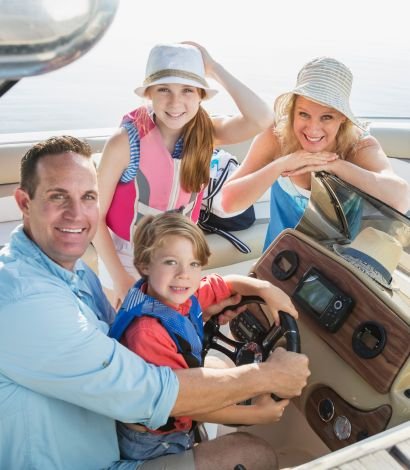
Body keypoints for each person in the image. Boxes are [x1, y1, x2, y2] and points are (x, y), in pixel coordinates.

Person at [0, 136, 310, 470]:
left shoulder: (65, 268)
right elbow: (153, 395)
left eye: (88, 197)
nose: (76, 214)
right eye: (58, 196)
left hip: (108, 432)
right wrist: (269, 376)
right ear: (24, 202)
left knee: (218, 372)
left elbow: (115, 341)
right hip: (100, 459)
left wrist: (196, 315)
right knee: (254, 455)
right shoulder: (25, 301)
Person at [109, 212, 299, 467]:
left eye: (194, 264)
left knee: (223, 368)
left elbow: (227, 284)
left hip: (175, 414)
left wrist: (264, 289)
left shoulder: (182, 295)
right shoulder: (146, 333)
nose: (183, 274)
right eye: (170, 262)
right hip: (152, 443)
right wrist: (255, 414)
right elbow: (186, 405)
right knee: (257, 454)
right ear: (144, 266)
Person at [93, 42, 274, 308]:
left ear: (201, 96)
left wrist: (213, 68)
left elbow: (262, 118)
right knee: (129, 330)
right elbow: (94, 216)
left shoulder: (206, 134)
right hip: (126, 260)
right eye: (164, 89)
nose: (175, 102)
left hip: (181, 258)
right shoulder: (124, 142)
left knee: (172, 329)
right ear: (149, 94)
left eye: (187, 90)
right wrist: (120, 278)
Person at [221, 56, 410, 251]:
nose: (313, 129)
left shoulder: (358, 146)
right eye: (304, 114)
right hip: (280, 260)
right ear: (292, 111)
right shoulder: (276, 136)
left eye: (326, 117)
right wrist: (282, 164)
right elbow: (228, 203)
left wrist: (335, 165)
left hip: (339, 263)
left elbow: (400, 200)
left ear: (343, 118)